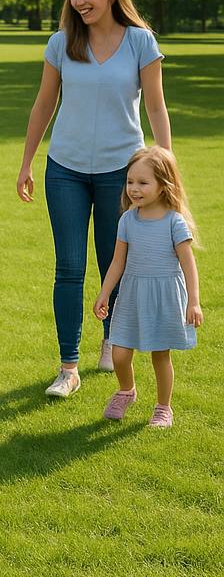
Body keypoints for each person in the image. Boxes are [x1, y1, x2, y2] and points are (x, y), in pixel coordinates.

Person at [17, 0, 172, 398]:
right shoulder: (61, 43)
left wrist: (165, 163)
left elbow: (156, 107)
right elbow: (44, 105)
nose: (80, 2)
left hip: (121, 174)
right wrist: (28, 162)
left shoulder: (141, 42)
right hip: (64, 168)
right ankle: (68, 367)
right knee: (68, 266)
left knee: (113, 262)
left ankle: (110, 341)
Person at [94, 147, 202, 428]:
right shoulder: (128, 220)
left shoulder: (174, 222)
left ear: (163, 185)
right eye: (130, 182)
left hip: (164, 296)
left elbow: (189, 265)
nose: (134, 189)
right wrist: (104, 293)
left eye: (143, 183)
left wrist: (194, 302)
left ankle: (163, 408)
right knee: (119, 352)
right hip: (131, 294)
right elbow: (117, 262)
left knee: (160, 354)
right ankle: (126, 390)